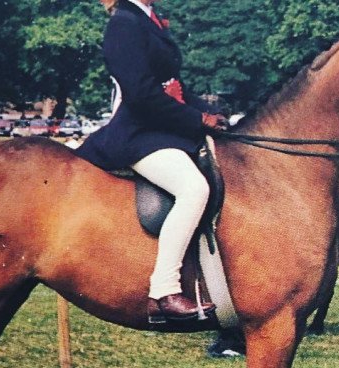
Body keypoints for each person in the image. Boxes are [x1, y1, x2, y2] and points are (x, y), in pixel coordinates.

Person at [75, 0, 228, 322]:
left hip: (160, 127)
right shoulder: (125, 22)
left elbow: (173, 88)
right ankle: (164, 292)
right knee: (193, 189)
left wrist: (208, 113)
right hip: (137, 131)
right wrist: (196, 119)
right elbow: (141, 94)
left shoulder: (148, 18)